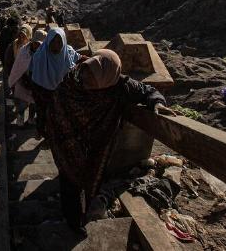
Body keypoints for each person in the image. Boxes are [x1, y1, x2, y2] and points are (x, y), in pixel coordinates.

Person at [27, 49, 175, 234]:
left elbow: (147, 91)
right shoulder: (72, 80)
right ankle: (73, 222)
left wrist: (157, 103)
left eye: (93, 75)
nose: (86, 76)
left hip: (94, 148)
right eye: (87, 70)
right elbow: (57, 107)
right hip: (66, 144)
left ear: (107, 77)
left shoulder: (119, 85)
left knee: (91, 181)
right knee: (69, 182)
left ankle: (85, 214)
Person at [8, 28, 44, 126]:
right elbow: (17, 67)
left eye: (40, 44)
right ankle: (20, 120)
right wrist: (22, 79)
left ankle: (31, 119)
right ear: (32, 41)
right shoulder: (24, 51)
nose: (37, 45)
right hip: (22, 80)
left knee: (33, 102)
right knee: (21, 103)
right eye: (36, 43)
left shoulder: (43, 53)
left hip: (36, 82)